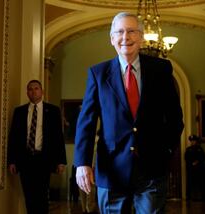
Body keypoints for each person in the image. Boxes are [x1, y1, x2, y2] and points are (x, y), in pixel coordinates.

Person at [74, 12, 184, 213]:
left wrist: (166, 150)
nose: (126, 37)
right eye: (120, 32)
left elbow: (175, 117)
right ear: (112, 39)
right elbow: (87, 122)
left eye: (132, 31)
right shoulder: (98, 73)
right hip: (111, 170)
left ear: (141, 37)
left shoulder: (161, 69)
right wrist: (82, 162)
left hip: (152, 169)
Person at [7, 80, 67, 214]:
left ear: (42, 92)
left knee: (42, 195)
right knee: (29, 196)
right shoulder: (19, 112)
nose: (33, 91)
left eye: (36, 89)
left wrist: (61, 161)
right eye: (30, 89)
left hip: (44, 159)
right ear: (27, 92)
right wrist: (11, 160)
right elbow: (13, 137)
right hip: (25, 159)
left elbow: (58, 136)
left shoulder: (52, 111)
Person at [185, 135, 205, 201]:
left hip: (199, 169)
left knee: (200, 183)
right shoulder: (188, 149)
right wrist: (191, 163)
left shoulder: (200, 149)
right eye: (192, 141)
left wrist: (198, 161)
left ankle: (201, 196)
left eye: (194, 141)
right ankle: (189, 197)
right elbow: (186, 158)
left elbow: (203, 157)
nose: (193, 142)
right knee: (190, 183)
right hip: (191, 169)